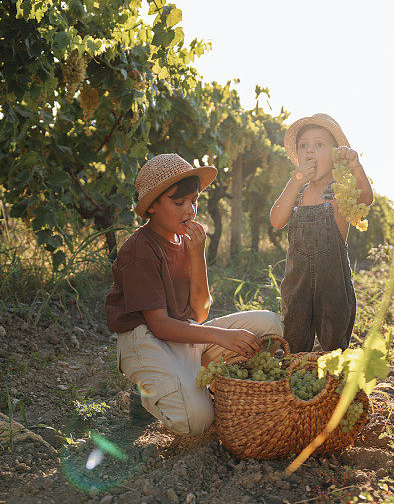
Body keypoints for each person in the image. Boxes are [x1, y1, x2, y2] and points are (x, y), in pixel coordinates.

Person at [105, 153, 284, 436]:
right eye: (179, 203)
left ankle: (190, 380)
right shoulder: (139, 251)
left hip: (183, 334)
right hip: (146, 340)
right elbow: (159, 325)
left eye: (194, 201)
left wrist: (197, 255)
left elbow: (200, 314)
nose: (190, 211)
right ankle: (145, 393)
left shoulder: (184, 240)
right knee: (197, 421)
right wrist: (221, 336)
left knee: (270, 327)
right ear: (151, 206)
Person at [269, 113, 373, 353]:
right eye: (303, 146)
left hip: (333, 284)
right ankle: (293, 380)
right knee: (293, 341)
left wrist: (356, 167)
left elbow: (365, 200)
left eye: (319, 144)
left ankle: (333, 385)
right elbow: (276, 220)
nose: (310, 151)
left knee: (333, 344)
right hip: (296, 285)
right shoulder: (297, 193)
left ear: (335, 155)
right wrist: (294, 182)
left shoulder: (340, 190)